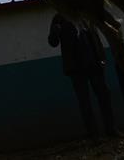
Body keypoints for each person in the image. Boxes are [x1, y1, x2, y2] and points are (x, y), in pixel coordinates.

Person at [48, 13, 118, 141]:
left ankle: (110, 130)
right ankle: (95, 135)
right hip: (76, 68)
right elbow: (53, 42)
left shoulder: (84, 15)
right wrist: (55, 30)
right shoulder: (59, 18)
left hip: (93, 65)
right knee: (85, 102)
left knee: (103, 97)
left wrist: (101, 58)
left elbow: (95, 38)